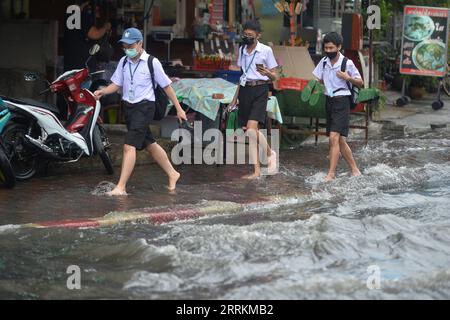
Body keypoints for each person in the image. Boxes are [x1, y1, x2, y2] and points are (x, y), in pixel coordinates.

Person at [94, 28, 187, 195]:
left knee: (129, 146)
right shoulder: (123, 62)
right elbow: (117, 84)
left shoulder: (152, 62)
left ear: (140, 44)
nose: (127, 48)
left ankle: (121, 187)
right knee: (149, 144)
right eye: (124, 46)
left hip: (145, 107)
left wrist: (179, 108)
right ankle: (173, 173)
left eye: (130, 45)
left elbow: (167, 87)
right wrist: (104, 91)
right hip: (129, 107)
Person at [229, 20, 279, 179]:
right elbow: (242, 75)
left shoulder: (266, 50)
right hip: (245, 90)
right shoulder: (242, 49)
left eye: (251, 35)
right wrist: (234, 99)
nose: (247, 38)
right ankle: (256, 171)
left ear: (258, 35)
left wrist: (267, 73)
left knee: (251, 129)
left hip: (260, 89)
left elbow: (275, 76)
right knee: (250, 132)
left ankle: (270, 153)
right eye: (245, 35)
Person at [312, 32, 363, 182]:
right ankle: (355, 169)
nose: (328, 51)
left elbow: (360, 82)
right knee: (340, 140)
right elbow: (318, 79)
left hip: (342, 102)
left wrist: (348, 78)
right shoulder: (323, 62)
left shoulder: (347, 63)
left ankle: (331, 174)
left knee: (334, 138)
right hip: (329, 101)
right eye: (326, 48)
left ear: (339, 47)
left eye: (331, 48)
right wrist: (315, 85)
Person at [64, 0, 112, 71]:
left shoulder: (69, 14)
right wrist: (106, 27)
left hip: (70, 63)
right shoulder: (82, 15)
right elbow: (94, 34)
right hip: (82, 65)